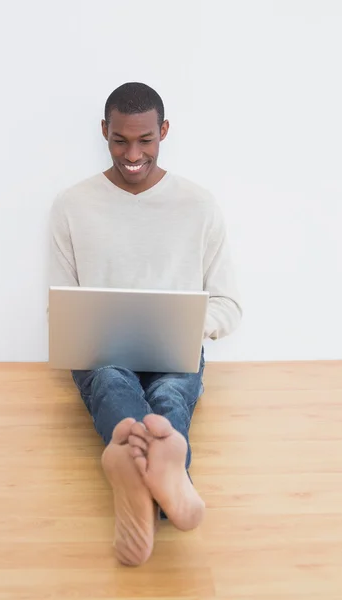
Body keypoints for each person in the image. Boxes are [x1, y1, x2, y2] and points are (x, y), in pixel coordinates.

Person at [49, 82, 242, 566]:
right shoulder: (72, 204)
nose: (132, 154)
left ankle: (132, 470)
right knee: (113, 381)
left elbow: (229, 303)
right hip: (100, 351)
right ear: (104, 133)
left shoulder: (198, 204)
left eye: (145, 140)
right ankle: (168, 485)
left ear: (164, 133)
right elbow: (60, 303)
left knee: (171, 394)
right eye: (120, 140)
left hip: (176, 347)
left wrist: (189, 327)